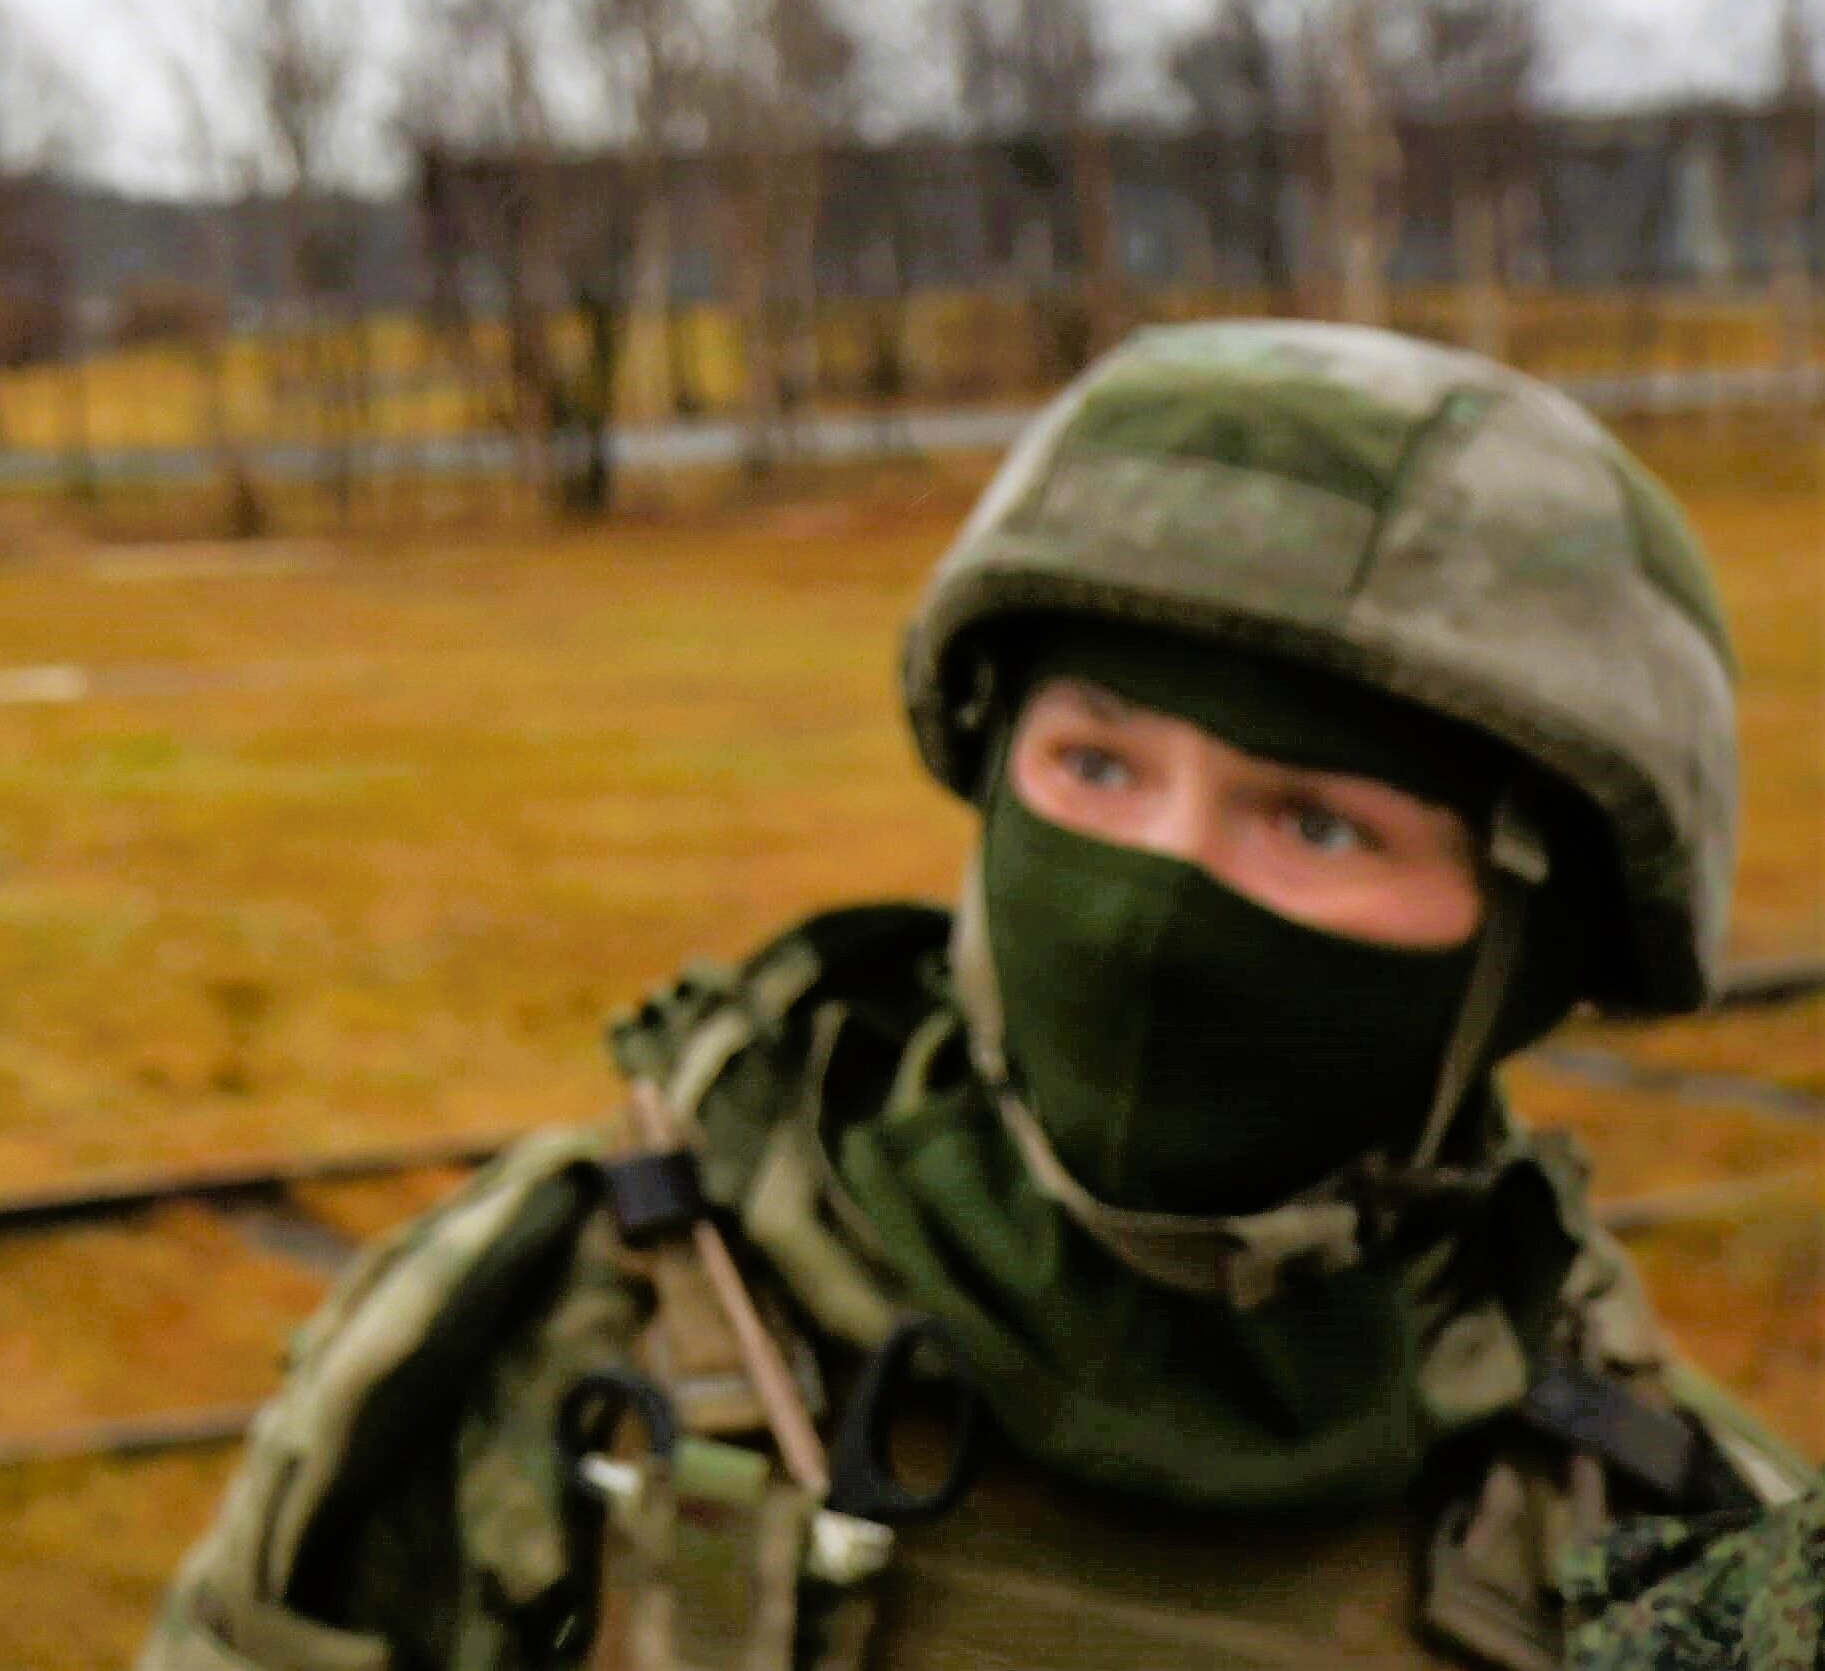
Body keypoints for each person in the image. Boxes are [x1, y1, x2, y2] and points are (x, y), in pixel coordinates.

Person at [140, 317, 1819, 1670]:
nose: (1152, 906)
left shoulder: (1668, 1553)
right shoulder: (557, 1329)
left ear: (1516, 958)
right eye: (1095, 765)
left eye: (1311, 820)